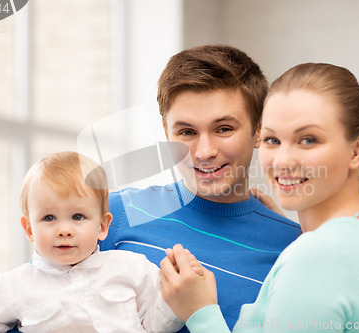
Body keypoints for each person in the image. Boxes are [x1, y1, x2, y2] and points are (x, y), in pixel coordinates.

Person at [160, 63, 359, 332]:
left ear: (356, 150)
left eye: (308, 140)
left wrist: (201, 313)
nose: (283, 161)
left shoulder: (317, 257)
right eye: (272, 140)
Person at [99, 45, 301, 332]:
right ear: (166, 132)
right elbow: (34, 310)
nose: (205, 152)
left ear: (259, 129)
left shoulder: (294, 249)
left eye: (224, 129)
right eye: (187, 132)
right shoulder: (109, 215)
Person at [0, 151, 183, 333]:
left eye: (78, 217)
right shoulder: (12, 286)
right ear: (29, 229)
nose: (64, 230)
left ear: (102, 226)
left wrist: (179, 297)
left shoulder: (133, 267)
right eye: (49, 218)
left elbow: (157, 325)